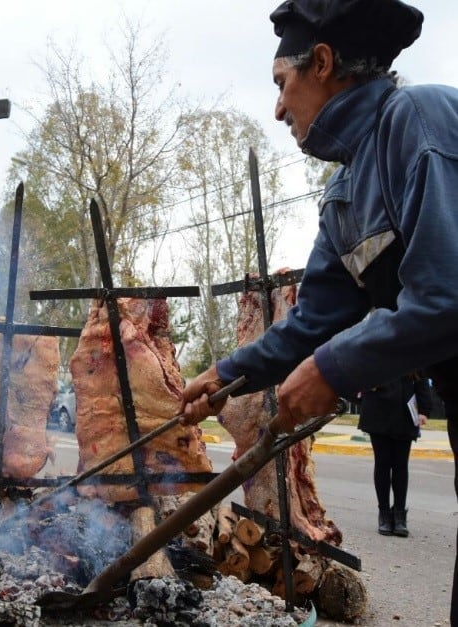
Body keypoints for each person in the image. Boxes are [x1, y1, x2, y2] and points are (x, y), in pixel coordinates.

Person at [180, 0, 458, 623]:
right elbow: (316, 318)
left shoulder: (418, 121)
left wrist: (333, 369)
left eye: (282, 84)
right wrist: (228, 375)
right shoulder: (344, 190)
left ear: (324, 63)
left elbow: (445, 299)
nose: (278, 108)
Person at [358, 372, 431, 537]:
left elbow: (422, 377)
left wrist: (424, 409)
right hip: (376, 411)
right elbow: (357, 373)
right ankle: (384, 514)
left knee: (400, 465)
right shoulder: (373, 350)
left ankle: (399, 515)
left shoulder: (411, 350)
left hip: (405, 413)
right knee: (382, 463)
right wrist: (363, 393)